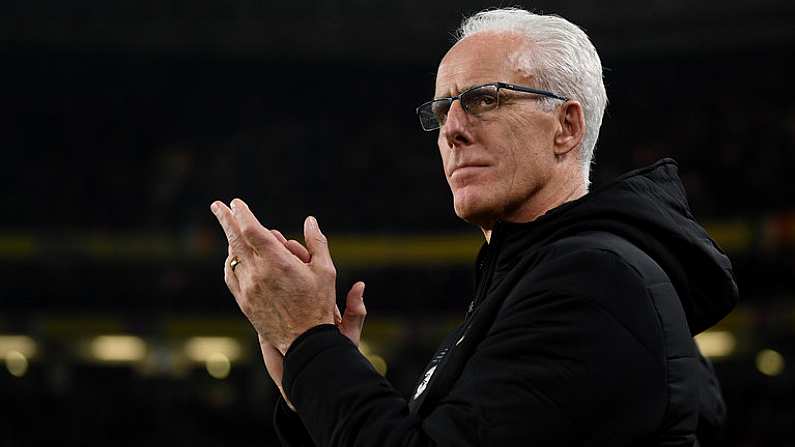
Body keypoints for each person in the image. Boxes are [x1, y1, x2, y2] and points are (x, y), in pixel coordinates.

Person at [210, 8, 738, 446]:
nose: (453, 129)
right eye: (442, 111)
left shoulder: (597, 284)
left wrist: (310, 342)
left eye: (484, 99)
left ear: (566, 127)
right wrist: (307, 386)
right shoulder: (536, 278)